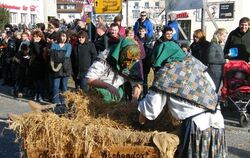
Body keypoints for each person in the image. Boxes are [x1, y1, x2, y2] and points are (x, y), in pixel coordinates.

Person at [137, 41, 227, 158]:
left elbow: (151, 109)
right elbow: (213, 87)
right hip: (217, 121)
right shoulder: (195, 63)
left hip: (197, 127)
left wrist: (139, 123)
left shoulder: (165, 74)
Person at [86, 34, 144, 103]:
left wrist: (134, 99)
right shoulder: (105, 56)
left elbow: (137, 83)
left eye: (132, 60)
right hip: (100, 92)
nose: (128, 63)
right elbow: (89, 79)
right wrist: (108, 86)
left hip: (118, 92)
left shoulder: (134, 60)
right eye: (127, 59)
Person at [50, 31, 72, 105]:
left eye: (65, 36)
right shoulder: (54, 45)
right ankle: (56, 100)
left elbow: (67, 56)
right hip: (56, 68)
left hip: (66, 67)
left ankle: (64, 100)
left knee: (64, 86)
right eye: (62, 36)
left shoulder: (68, 45)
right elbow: (53, 56)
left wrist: (58, 56)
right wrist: (59, 57)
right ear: (59, 36)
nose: (63, 38)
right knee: (56, 85)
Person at [207, 28, 228, 93]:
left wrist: (227, 56)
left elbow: (218, 57)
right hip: (214, 72)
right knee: (213, 91)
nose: (225, 38)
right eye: (224, 36)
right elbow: (211, 59)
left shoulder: (217, 44)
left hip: (218, 71)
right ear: (219, 35)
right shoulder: (213, 45)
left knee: (215, 91)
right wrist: (224, 61)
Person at [29, 30, 47, 102]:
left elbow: (39, 53)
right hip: (33, 64)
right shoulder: (32, 43)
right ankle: (36, 93)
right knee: (35, 81)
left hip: (41, 64)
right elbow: (30, 52)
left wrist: (36, 44)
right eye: (34, 36)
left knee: (40, 81)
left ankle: (41, 95)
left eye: (37, 37)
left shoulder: (43, 43)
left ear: (40, 37)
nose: (35, 38)